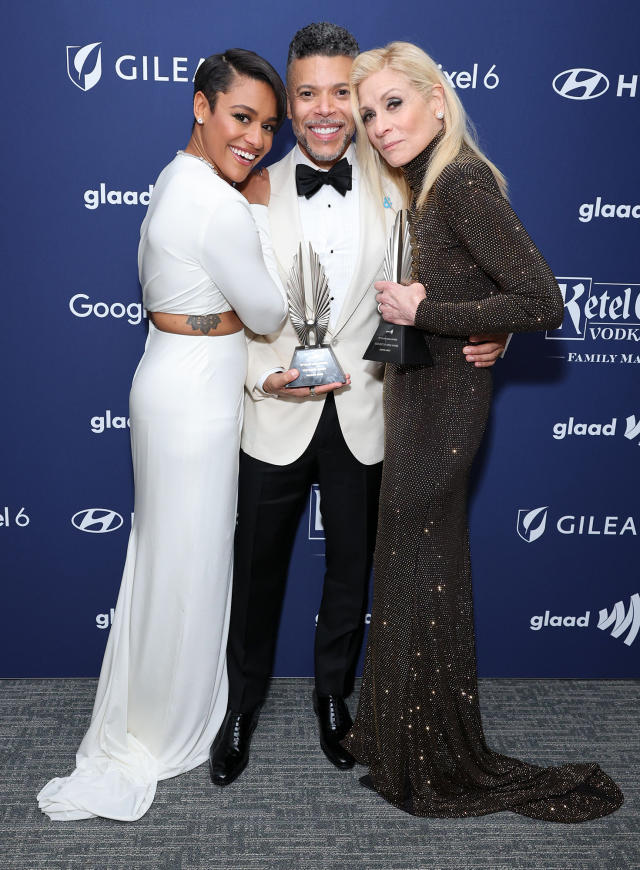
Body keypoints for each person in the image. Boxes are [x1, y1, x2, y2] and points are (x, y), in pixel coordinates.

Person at [209, 23, 507, 788]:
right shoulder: (247, 189)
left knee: (351, 572)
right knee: (257, 570)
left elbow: (468, 272)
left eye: (341, 92)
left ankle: (334, 702)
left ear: (360, 98)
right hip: (274, 413)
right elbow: (219, 315)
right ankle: (239, 707)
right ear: (289, 101)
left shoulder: (405, 182)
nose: (325, 109)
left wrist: (492, 326)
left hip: (372, 415)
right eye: (306, 93)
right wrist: (260, 380)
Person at [340, 41, 623, 821]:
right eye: (368, 113)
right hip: (418, 394)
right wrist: (456, 317)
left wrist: (426, 312)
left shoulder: (460, 181)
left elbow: (542, 299)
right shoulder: (420, 186)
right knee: (413, 563)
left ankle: (433, 754)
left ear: (438, 99)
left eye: (394, 104)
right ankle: (403, 743)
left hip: (444, 405)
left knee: (419, 562)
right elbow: (486, 299)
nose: (379, 125)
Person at [37, 50, 288, 822]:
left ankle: (159, 703)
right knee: (188, 556)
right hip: (195, 393)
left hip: (173, 375)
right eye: (242, 117)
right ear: (200, 105)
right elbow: (274, 314)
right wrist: (254, 207)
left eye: (268, 127)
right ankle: (170, 725)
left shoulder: (177, 176)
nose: (256, 139)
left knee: (169, 554)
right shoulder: (218, 203)